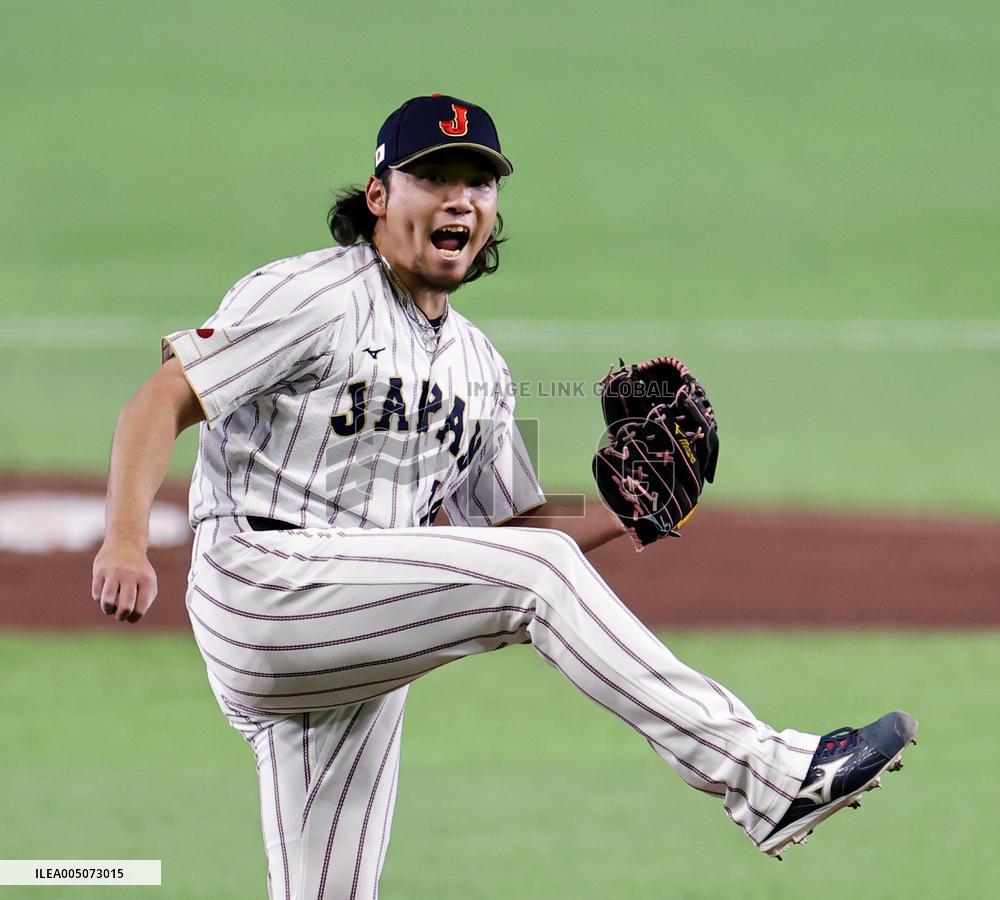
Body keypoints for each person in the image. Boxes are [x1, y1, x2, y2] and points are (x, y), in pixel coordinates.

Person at [92, 94, 917, 898]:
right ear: (379, 197)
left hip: (356, 640)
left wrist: (619, 502)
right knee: (539, 575)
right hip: (262, 584)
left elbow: (513, 534)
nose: (459, 199)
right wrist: (126, 538)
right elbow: (160, 398)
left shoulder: (483, 369)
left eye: (478, 182)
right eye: (434, 176)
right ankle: (766, 776)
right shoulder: (313, 293)